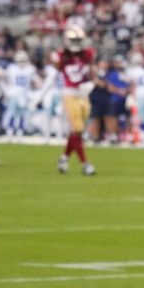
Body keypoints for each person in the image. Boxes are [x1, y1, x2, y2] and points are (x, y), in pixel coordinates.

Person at [55, 25, 97, 175]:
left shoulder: (87, 54)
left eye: (78, 39)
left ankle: (64, 157)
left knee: (77, 132)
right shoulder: (61, 56)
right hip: (70, 94)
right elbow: (52, 76)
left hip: (83, 95)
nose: (76, 42)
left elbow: (93, 72)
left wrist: (91, 84)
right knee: (77, 130)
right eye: (74, 39)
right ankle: (85, 164)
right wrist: (40, 96)